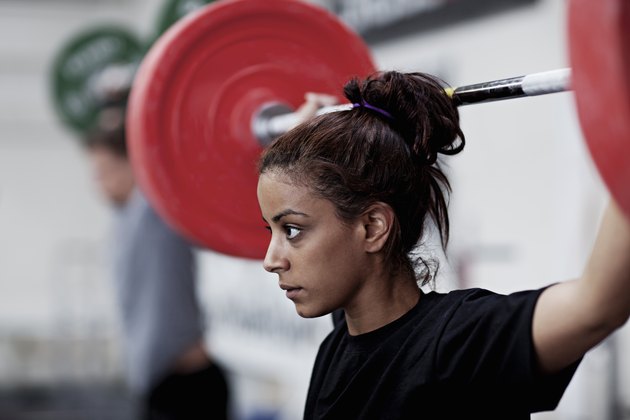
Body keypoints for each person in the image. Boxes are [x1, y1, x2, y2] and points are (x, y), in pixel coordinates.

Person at [256, 71, 630, 418]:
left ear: (372, 227)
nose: (271, 261)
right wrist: (307, 134)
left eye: (291, 230)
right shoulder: (342, 340)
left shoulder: (458, 344)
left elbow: (597, 306)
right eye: (270, 229)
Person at [84, 108, 229, 420]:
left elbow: (169, 153)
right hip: (159, 384)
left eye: (103, 171)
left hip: (188, 389)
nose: (99, 184)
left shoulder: (154, 210)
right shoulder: (123, 218)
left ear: (135, 166)